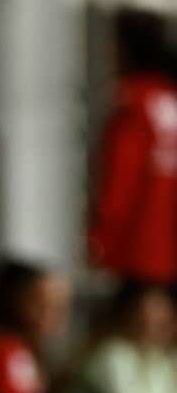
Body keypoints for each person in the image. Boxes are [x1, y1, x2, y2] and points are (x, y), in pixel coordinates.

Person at [89, 9, 177, 283]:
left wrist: (101, 240)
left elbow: (120, 179)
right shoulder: (169, 96)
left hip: (137, 250)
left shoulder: (132, 101)